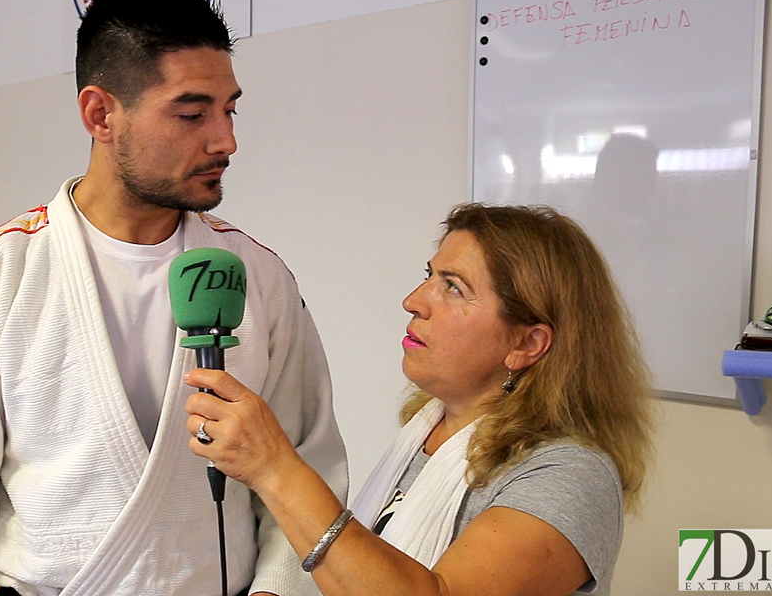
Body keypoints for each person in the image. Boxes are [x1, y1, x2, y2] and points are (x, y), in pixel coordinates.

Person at [0, 0, 347, 596]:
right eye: (191, 113)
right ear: (100, 114)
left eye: (229, 110)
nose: (225, 140)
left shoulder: (259, 278)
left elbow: (306, 467)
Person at [185, 203, 653, 596]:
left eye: (454, 287)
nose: (414, 300)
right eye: (429, 276)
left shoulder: (570, 474)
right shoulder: (426, 436)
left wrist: (274, 468)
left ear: (527, 344)